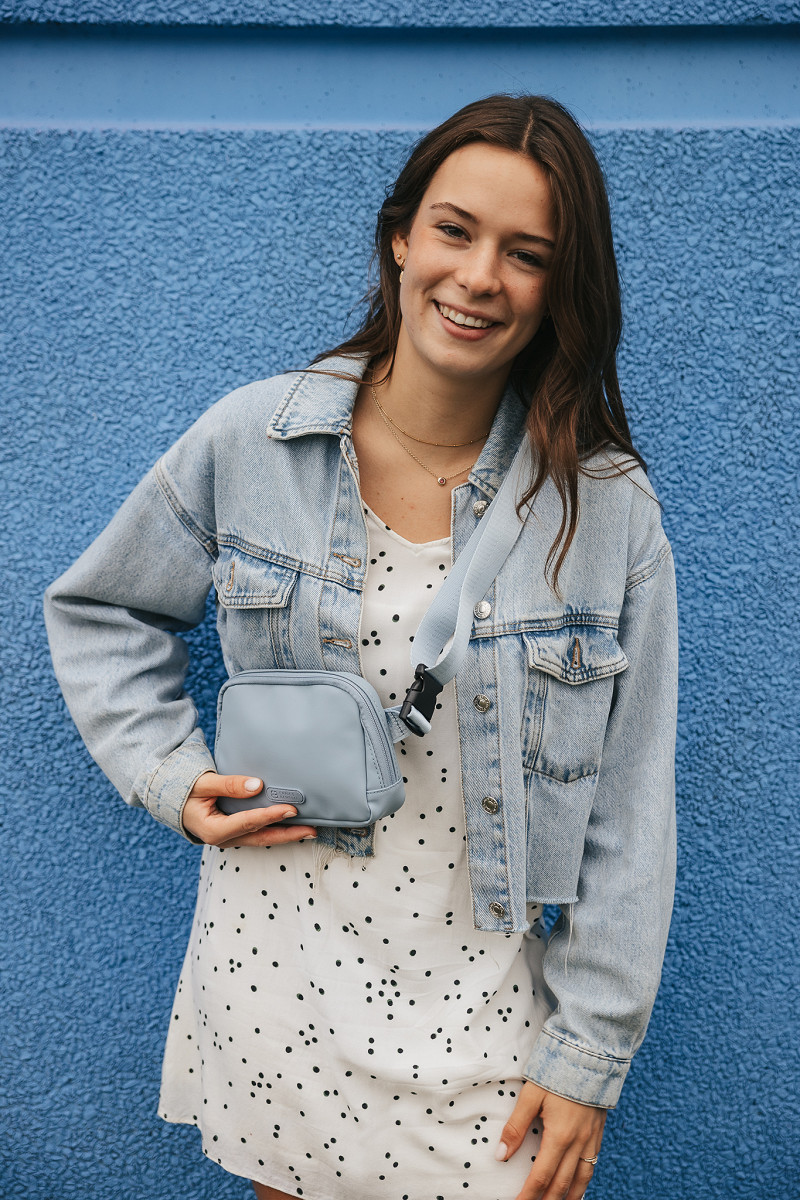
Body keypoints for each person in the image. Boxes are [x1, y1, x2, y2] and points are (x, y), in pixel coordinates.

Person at [44, 94, 677, 1200]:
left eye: (525, 254)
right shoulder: (254, 441)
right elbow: (102, 610)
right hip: (277, 972)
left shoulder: (604, 511)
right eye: (453, 231)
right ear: (399, 239)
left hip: (485, 1010)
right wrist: (171, 776)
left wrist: (588, 1054)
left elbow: (630, 807)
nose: (478, 277)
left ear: (558, 288)